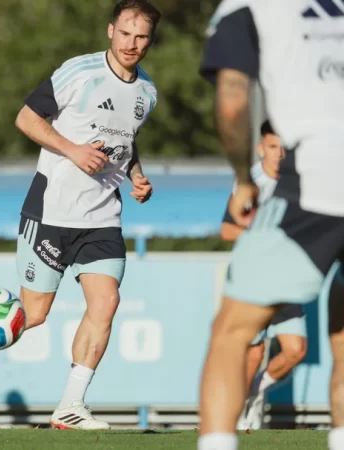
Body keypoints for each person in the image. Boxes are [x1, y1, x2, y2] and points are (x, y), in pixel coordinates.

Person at [0, 0, 159, 430]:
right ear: (110, 31)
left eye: (141, 36)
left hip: (102, 218)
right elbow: (26, 119)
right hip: (51, 212)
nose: (131, 44)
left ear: (150, 40)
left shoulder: (147, 93)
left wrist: (137, 176)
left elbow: (126, 141)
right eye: (125, 33)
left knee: (107, 303)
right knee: (35, 314)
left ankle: (70, 405)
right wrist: (73, 150)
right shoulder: (79, 72)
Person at [197, 1, 344, 449]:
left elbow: (233, 96)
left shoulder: (248, 5)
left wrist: (243, 179)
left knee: (231, 332)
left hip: (316, 181)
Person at [219, 121, 307, 430]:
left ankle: (255, 392)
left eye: (284, 147)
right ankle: (234, 421)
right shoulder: (250, 184)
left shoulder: (299, 183)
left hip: (286, 280)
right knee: (253, 353)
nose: (279, 153)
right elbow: (227, 229)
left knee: (296, 350)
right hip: (252, 278)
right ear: (261, 148)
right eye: (272, 146)